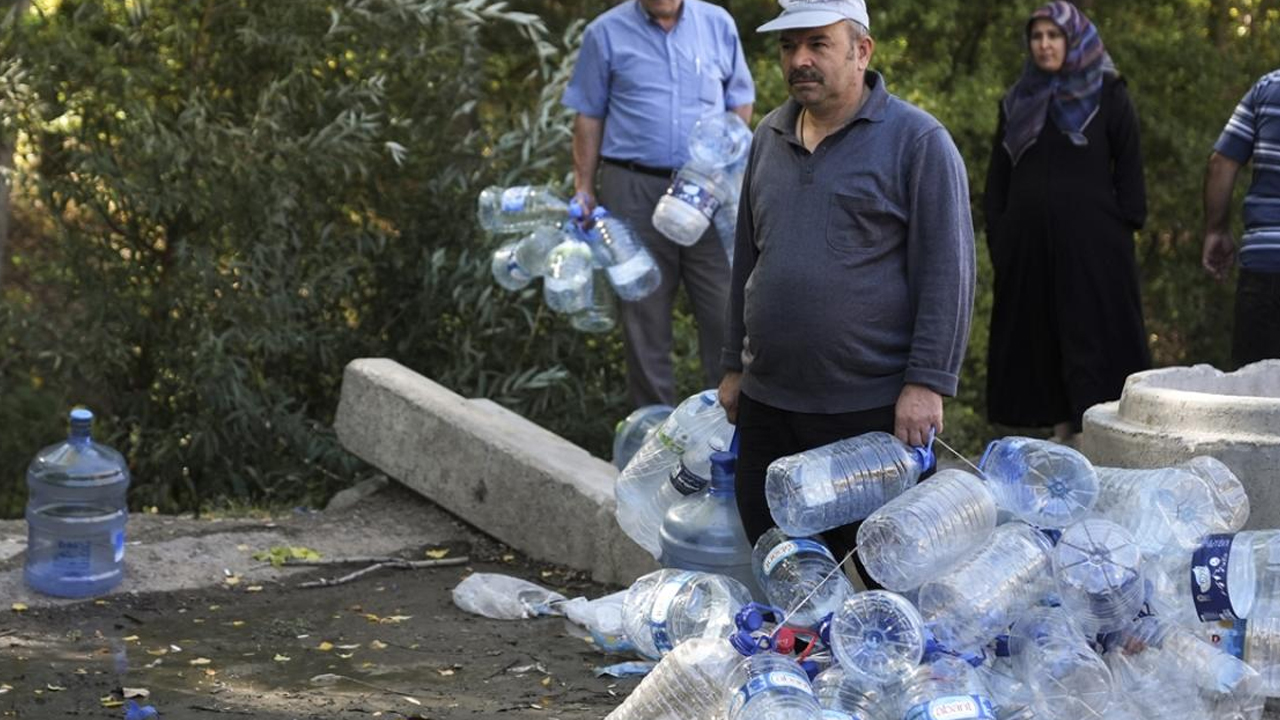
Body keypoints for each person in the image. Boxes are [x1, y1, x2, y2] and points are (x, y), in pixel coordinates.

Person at [718, 0, 975, 587]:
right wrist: (733, 365)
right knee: (786, 574)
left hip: (868, 412)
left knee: (884, 578)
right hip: (769, 403)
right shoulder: (768, 135)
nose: (799, 60)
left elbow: (949, 270)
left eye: (817, 44)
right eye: (789, 46)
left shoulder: (917, 141)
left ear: (862, 50)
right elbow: (746, 260)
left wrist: (928, 380)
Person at [562, 0, 754, 407]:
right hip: (633, 188)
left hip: (705, 190)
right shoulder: (605, 32)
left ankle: (725, 439)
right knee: (643, 321)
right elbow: (588, 117)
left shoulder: (717, 24)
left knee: (726, 312)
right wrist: (584, 187)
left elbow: (740, 101)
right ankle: (654, 442)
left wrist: (724, 160)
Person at [983, 1, 1149, 445]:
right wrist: (1002, 237)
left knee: (1094, 336)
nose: (1044, 45)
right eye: (1037, 37)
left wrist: (1122, 226)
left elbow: (1129, 169)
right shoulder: (1017, 100)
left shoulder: (1108, 93)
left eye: (1053, 36)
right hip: (1028, 249)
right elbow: (997, 180)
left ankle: (1098, 439)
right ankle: (1060, 439)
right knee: (1042, 336)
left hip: (1094, 248)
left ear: (1073, 39)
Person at [1202, 69, 1280, 368]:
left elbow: (1221, 163)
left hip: (1264, 267)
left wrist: (1216, 230)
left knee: (1254, 395)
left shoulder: (1267, 89)